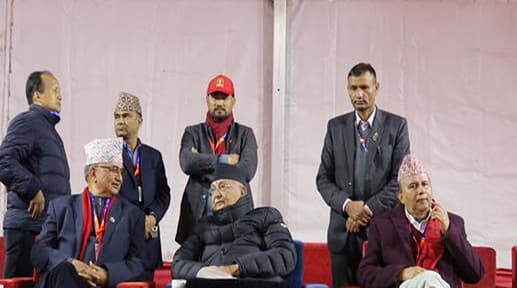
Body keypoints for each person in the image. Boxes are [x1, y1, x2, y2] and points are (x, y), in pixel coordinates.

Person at [315, 63, 411, 287]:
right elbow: (322, 179)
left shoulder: (396, 126)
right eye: (353, 88)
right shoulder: (335, 127)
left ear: (377, 88)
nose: (359, 94)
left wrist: (366, 210)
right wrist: (348, 206)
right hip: (342, 234)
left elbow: (400, 181)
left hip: (382, 234)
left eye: (365, 87)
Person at [32, 138, 147, 288]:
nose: (119, 177)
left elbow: (139, 264)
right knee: (66, 271)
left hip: (100, 286)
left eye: (121, 172)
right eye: (113, 170)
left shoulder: (132, 215)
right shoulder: (62, 207)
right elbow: (39, 251)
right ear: (93, 173)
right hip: (62, 281)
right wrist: (70, 263)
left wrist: (107, 275)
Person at [357, 156, 483, 288]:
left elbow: (475, 274)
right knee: (427, 279)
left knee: (430, 279)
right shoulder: (382, 225)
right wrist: (401, 273)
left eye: (425, 184)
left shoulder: (453, 222)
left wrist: (449, 231)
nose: (421, 191)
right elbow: (365, 273)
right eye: (413, 186)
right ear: (401, 197)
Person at [0, 70, 72, 278]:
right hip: (27, 226)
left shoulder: (49, 130)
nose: (60, 96)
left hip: (45, 227)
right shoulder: (27, 122)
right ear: (37, 96)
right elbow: (2, 161)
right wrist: (32, 189)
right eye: (55, 90)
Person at [171, 162, 296, 287]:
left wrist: (236, 268)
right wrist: (203, 271)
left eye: (223, 186)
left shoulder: (266, 215)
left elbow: (285, 255)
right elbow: (178, 262)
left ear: (242, 191)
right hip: (210, 283)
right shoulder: (203, 226)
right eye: (213, 190)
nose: (216, 195)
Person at [176, 74, 258, 243]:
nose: (219, 103)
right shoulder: (192, 132)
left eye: (224, 97)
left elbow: (247, 171)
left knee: (232, 265)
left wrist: (203, 166)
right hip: (196, 215)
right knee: (192, 267)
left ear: (233, 101)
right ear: (207, 99)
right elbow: (187, 162)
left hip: (235, 217)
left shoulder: (246, 134)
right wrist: (225, 160)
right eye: (215, 97)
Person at [113, 92, 171, 271]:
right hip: (121, 235)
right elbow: (106, 195)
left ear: (139, 120)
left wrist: (153, 217)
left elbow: (163, 193)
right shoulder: (108, 154)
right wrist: (137, 221)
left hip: (149, 236)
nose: (120, 121)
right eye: (117, 117)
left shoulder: (153, 156)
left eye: (126, 116)